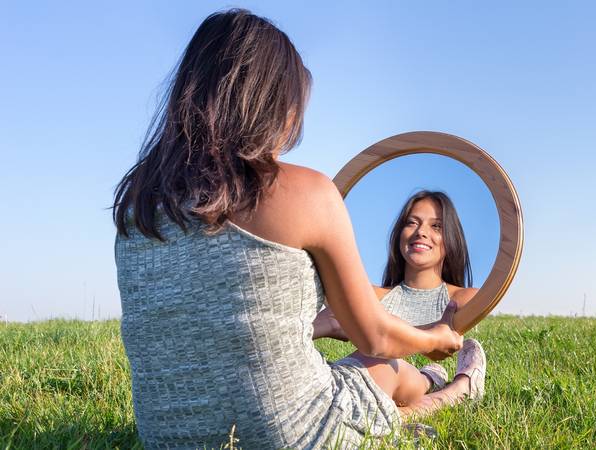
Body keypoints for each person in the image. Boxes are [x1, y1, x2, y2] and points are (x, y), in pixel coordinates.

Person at [112, 9, 484, 449]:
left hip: (166, 438)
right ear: (272, 103)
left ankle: (428, 381)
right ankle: (453, 389)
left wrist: (320, 324)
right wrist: (434, 337)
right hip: (288, 436)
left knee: (360, 367)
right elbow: (378, 337)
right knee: (382, 368)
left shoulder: (138, 202)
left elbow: (213, 320)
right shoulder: (305, 191)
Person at [314, 190, 485, 404]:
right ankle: (442, 385)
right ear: (399, 235)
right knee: (377, 361)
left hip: (370, 382)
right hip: (364, 380)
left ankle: (432, 380)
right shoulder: (370, 295)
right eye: (412, 223)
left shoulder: (466, 298)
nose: (421, 232)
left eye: (436, 226)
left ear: (450, 239)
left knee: (378, 363)